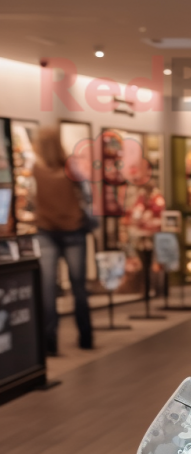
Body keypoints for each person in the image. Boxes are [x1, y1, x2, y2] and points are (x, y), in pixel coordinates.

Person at [33, 125, 93, 355]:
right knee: (79, 286)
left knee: (48, 289)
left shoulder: (36, 169)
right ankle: (85, 336)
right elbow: (87, 196)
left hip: (46, 230)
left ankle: (50, 343)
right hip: (73, 230)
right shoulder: (71, 166)